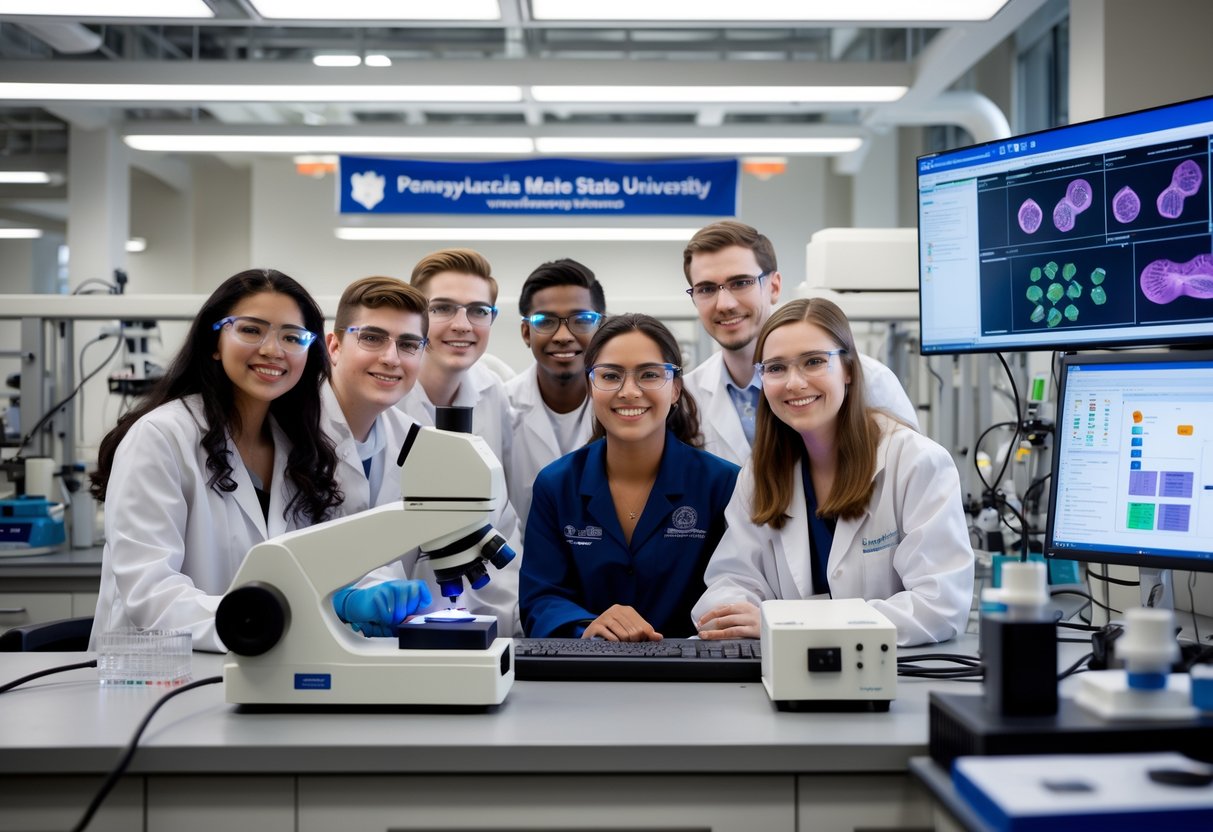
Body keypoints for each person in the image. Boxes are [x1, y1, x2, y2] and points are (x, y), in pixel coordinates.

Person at [88, 268, 345, 652]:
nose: (273, 349)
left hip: (261, 668)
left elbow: (310, 568)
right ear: (214, 342)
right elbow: (151, 592)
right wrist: (261, 622)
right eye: (251, 330)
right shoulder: (161, 436)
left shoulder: (300, 450)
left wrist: (349, 595)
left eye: (292, 337)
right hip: (155, 676)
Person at [692, 298, 974, 647]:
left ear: (849, 370)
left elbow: (940, 605)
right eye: (776, 368)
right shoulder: (759, 475)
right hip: (785, 678)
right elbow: (731, 581)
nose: (794, 383)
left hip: (894, 679)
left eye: (813, 362)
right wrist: (735, 612)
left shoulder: (915, 463)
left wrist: (791, 621)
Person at [521, 314, 740, 641]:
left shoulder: (722, 484)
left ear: (676, 389)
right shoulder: (557, 485)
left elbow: (737, 587)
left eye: (650, 375)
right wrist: (586, 627)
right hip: (587, 672)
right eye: (610, 376)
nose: (629, 391)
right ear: (591, 387)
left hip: (694, 673)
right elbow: (540, 598)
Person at [322, 275, 521, 636]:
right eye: (371, 337)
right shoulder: (287, 437)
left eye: (409, 344)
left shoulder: (415, 441)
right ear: (333, 346)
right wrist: (343, 602)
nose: (390, 358)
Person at [681, 220, 919, 466]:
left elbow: (910, 477)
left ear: (773, 287)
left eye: (741, 283)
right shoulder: (686, 400)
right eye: (706, 289)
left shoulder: (870, 380)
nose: (725, 304)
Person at [505, 258, 606, 534]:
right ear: (526, 332)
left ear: (602, 329)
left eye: (581, 320)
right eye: (546, 321)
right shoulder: (500, 409)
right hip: (520, 572)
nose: (563, 335)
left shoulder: (625, 408)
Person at [396, 248, 512, 471]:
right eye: (442, 308)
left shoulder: (494, 391)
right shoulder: (385, 388)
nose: (462, 325)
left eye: (479, 310)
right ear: (415, 315)